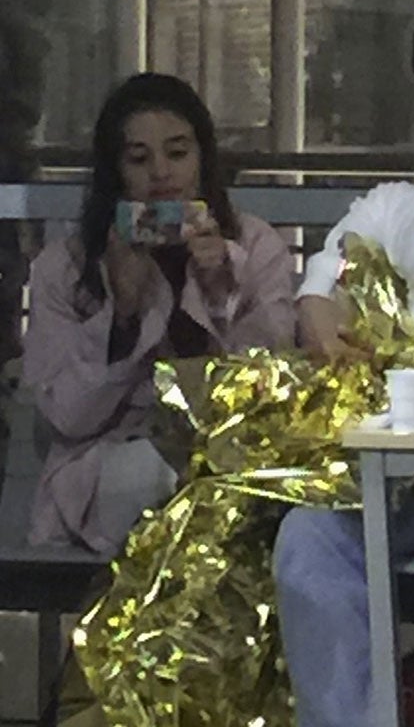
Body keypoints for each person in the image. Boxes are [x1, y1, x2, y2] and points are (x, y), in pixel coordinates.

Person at [273, 102, 414, 727]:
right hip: (408, 477)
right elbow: (324, 286)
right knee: (310, 541)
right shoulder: (393, 210)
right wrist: (319, 316)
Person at [23, 72, 295, 555]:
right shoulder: (64, 266)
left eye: (177, 153)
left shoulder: (255, 248)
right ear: (115, 171)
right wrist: (123, 315)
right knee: (158, 475)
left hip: (229, 458)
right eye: (138, 158)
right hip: (108, 467)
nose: (161, 174)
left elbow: (268, 392)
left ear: (202, 159)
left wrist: (218, 298)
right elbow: (66, 414)